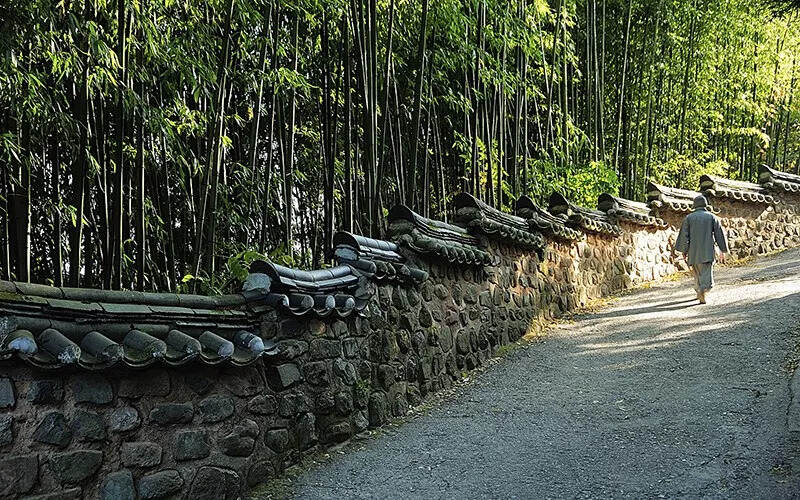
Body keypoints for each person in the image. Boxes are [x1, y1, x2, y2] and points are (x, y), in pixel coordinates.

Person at [674, 195, 729, 304]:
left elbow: (685, 236)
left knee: (697, 273)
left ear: (694, 205)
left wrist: (684, 251)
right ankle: (703, 291)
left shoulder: (688, 218)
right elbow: (719, 234)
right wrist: (723, 249)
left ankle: (698, 290)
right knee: (706, 274)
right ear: (705, 204)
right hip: (707, 251)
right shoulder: (712, 217)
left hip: (693, 252)